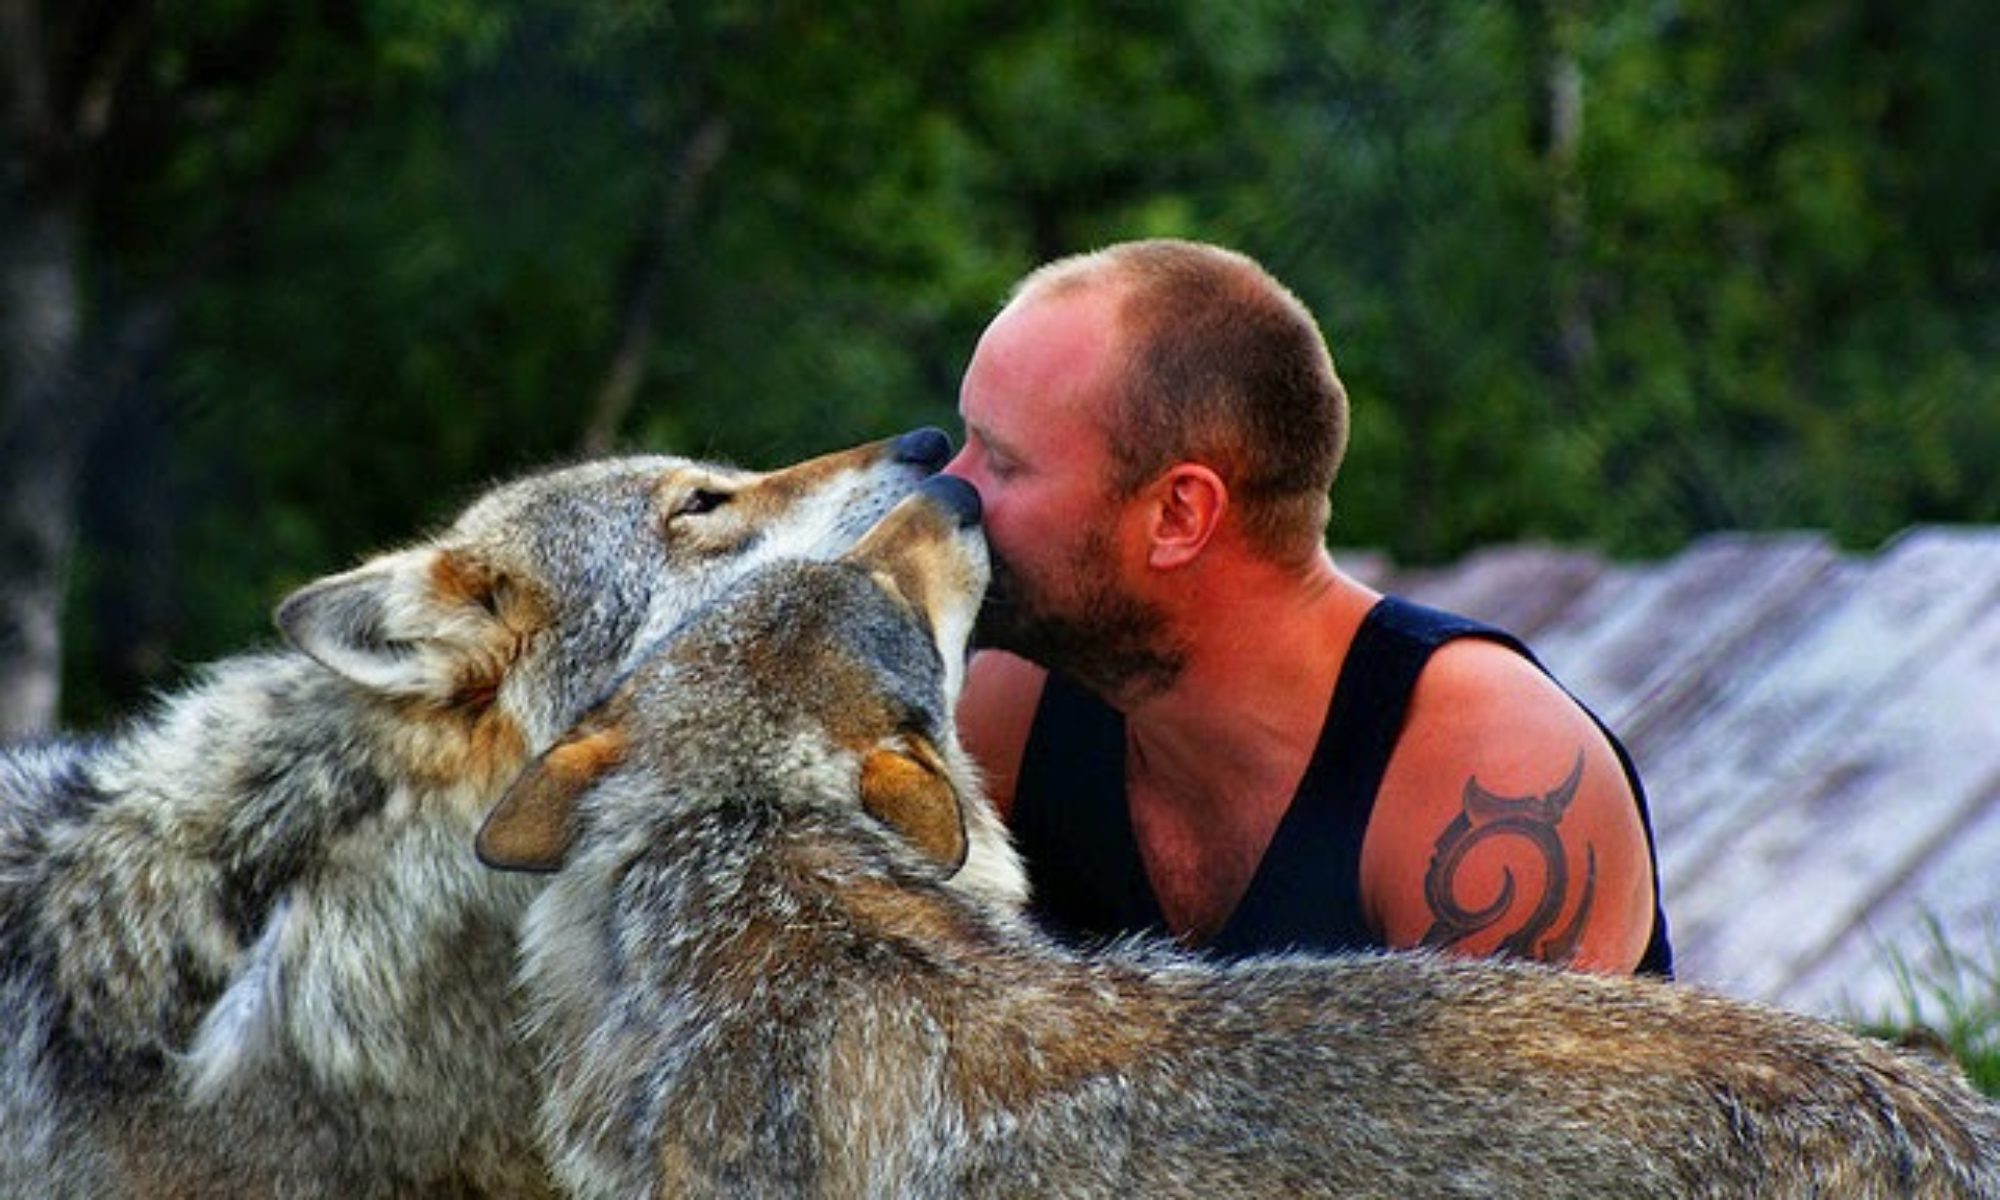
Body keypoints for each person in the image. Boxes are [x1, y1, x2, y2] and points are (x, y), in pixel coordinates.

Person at [943, 239, 1672, 975]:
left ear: (1177, 515)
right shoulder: (1012, 712)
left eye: (1001, 463)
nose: (948, 489)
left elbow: (1511, 1095)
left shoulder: (1491, 785)